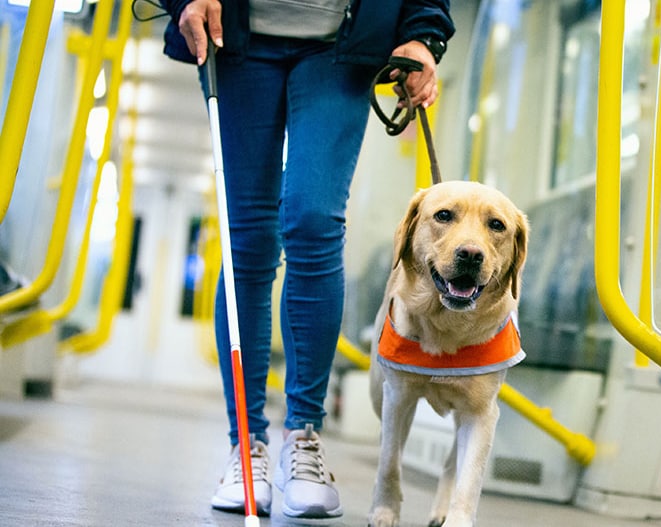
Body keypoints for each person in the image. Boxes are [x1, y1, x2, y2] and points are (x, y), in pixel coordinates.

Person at [158, 0, 454, 519]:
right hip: (236, 37)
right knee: (247, 238)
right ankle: (245, 445)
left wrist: (422, 36)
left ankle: (304, 436)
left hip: (342, 43)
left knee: (314, 221)